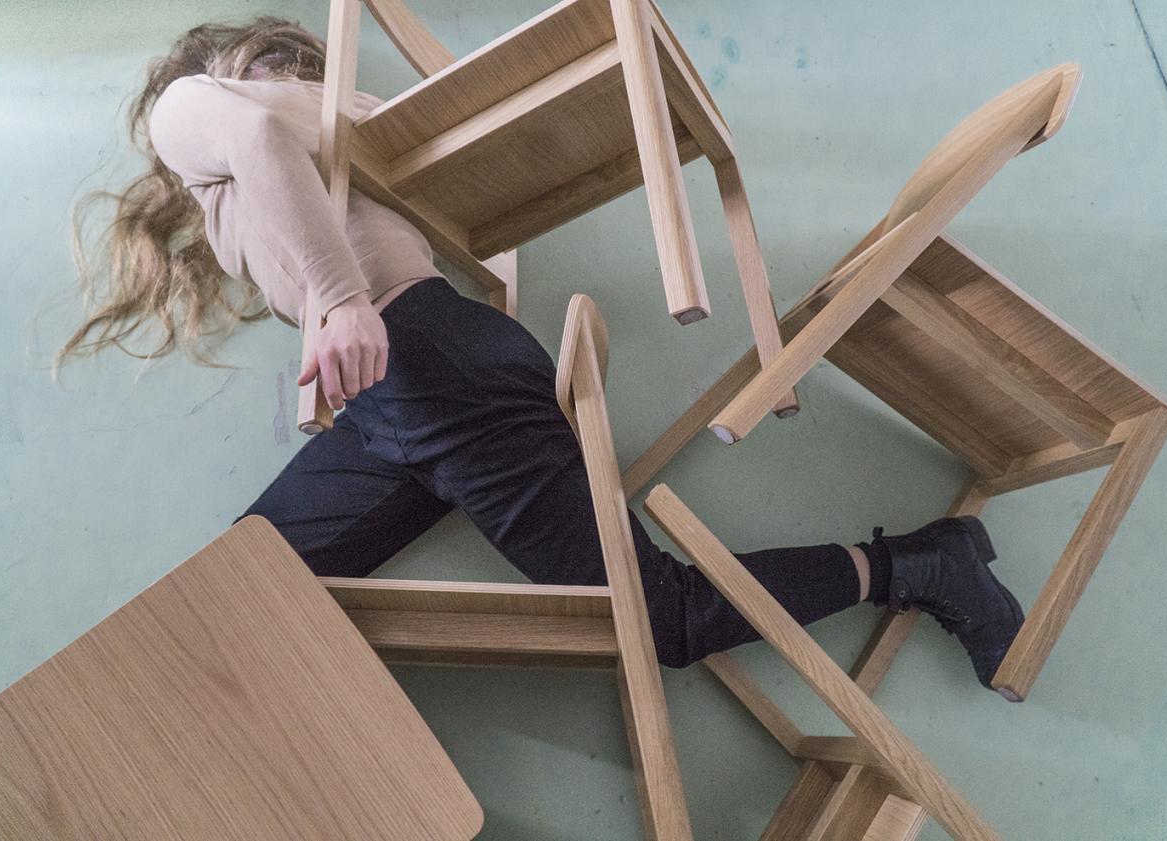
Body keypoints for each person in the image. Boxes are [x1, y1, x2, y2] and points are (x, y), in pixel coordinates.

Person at [56, 15, 1024, 693]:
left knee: (662, 622)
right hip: (406, 393)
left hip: (429, 365)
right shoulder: (342, 123)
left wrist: (341, 301)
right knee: (245, 591)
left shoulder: (199, 102)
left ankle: (917, 564)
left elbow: (260, 130)